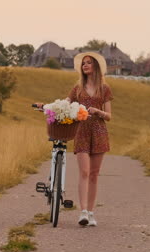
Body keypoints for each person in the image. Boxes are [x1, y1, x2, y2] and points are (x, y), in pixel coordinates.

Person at [35, 52, 113, 227]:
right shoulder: (77, 88)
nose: (85, 66)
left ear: (96, 67)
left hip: (99, 131)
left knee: (94, 174)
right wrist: (46, 107)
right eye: (83, 63)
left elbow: (109, 115)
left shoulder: (105, 89)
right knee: (84, 172)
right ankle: (83, 212)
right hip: (81, 131)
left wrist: (98, 111)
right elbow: (63, 103)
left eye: (88, 63)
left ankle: (92, 213)